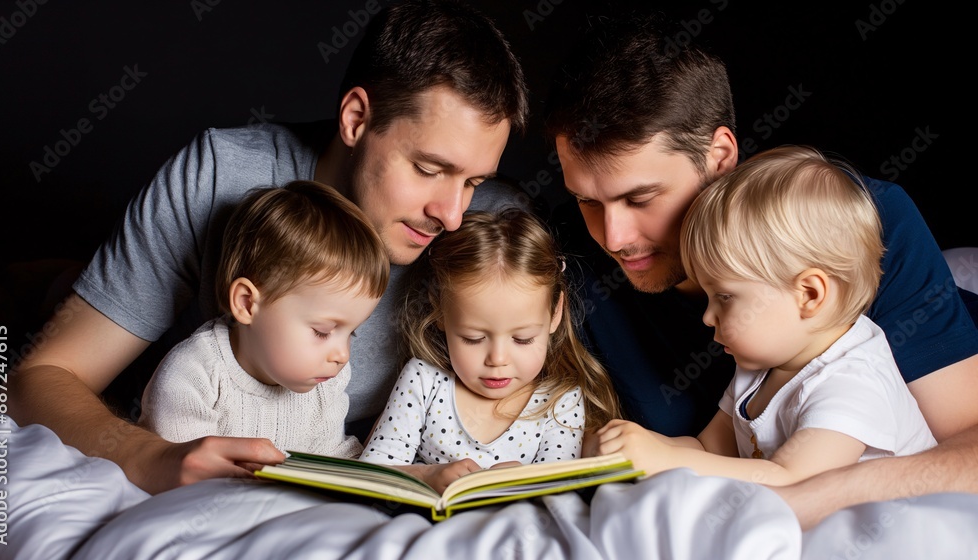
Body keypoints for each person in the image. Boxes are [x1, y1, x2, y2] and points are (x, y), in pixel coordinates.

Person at [10, 0, 529, 494]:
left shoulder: (496, 230)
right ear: (355, 118)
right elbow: (38, 377)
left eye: (474, 182)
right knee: (25, 304)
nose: (452, 214)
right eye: (428, 169)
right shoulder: (221, 175)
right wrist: (151, 456)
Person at [544, 13, 978, 528]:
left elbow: (966, 445)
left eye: (641, 197)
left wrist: (813, 495)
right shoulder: (566, 259)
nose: (613, 238)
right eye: (586, 201)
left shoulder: (853, 226)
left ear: (720, 155)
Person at [593, 145, 937, 485]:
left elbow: (792, 481)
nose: (707, 316)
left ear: (809, 295)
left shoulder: (853, 382)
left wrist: (668, 459)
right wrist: (642, 450)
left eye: (725, 297)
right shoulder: (762, 367)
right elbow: (707, 449)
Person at [359, 209, 621, 493]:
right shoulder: (423, 381)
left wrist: (523, 483)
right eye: (473, 338)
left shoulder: (560, 402)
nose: (497, 360)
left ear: (555, 314)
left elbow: (561, 494)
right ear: (440, 311)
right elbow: (373, 472)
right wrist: (427, 476)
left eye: (522, 339)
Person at [137, 181, 388, 459]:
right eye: (323, 331)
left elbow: (331, 457)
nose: (342, 355)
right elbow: (186, 475)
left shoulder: (326, 382)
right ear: (246, 304)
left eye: (351, 333)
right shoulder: (195, 376)